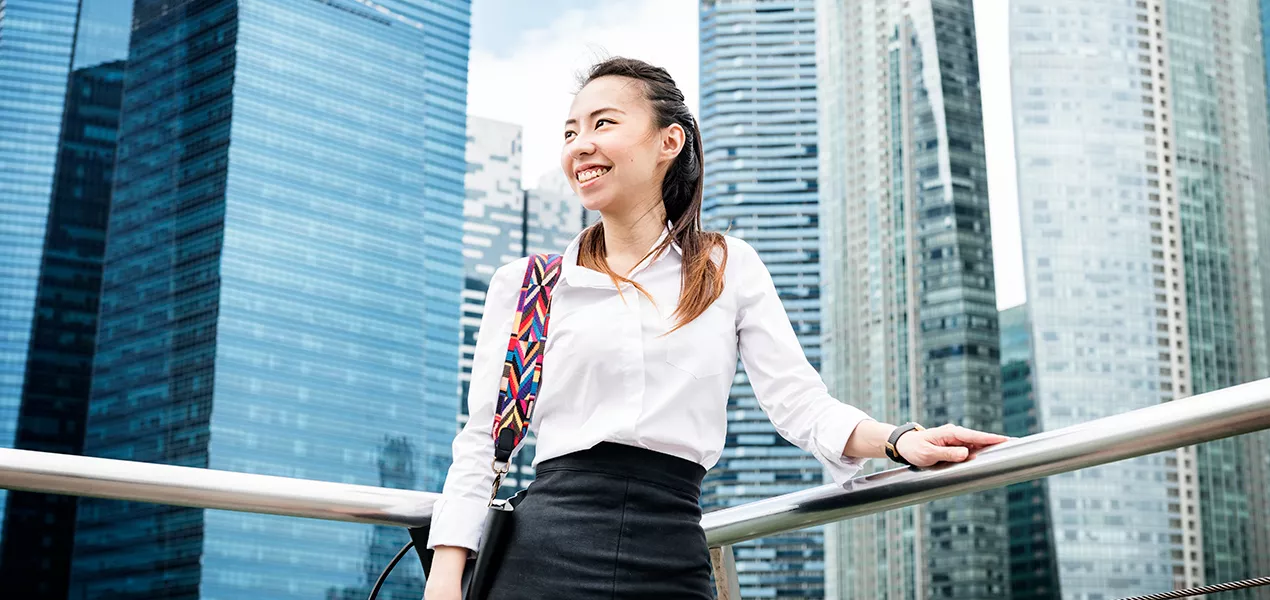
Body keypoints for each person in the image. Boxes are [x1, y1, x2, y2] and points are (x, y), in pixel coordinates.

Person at [423, 56, 1007, 600]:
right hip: (543, 555)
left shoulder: (725, 266)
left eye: (603, 123)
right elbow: (479, 444)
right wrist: (444, 588)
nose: (581, 145)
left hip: (672, 552)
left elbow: (800, 405)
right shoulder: (527, 285)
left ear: (668, 142)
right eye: (571, 131)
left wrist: (900, 440)